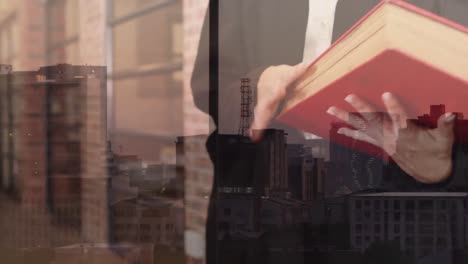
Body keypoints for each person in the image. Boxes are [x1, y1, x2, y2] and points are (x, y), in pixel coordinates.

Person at [191, 0, 468, 263]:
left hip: (401, 226)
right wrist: (256, 86)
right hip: (262, 219)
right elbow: (209, 84)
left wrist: (450, 168)